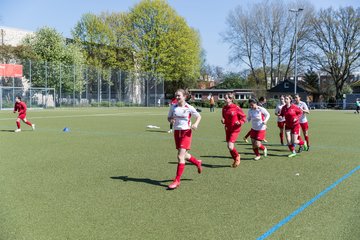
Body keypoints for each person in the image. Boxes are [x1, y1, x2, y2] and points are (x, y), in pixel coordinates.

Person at [167, 89, 202, 190]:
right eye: (176, 96)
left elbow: (199, 116)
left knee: (180, 156)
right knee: (184, 155)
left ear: (184, 97)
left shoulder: (189, 107)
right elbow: (169, 117)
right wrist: (171, 120)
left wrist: (195, 124)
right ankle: (197, 163)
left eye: (179, 96)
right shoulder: (173, 106)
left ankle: (177, 180)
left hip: (186, 133)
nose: (177, 97)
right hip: (177, 132)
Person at [221, 93, 246, 167]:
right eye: (224, 98)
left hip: (235, 129)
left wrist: (240, 122)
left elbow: (244, 117)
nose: (225, 99)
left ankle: (237, 157)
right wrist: (223, 121)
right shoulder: (224, 108)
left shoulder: (236, 107)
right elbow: (224, 118)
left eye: (226, 98)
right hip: (227, 129)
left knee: (230, 146)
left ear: (231, 99)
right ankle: (235, 159)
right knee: (229, 147)